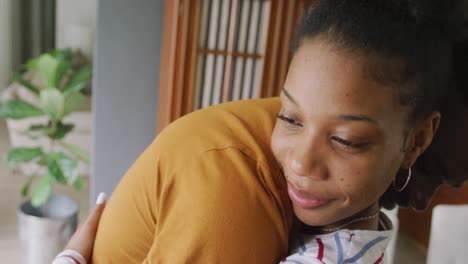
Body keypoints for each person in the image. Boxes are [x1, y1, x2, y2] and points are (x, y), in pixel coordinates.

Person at [55, 0, 468, 263]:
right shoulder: (232, 188)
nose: (301, 161)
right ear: (420, 138)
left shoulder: (336, 216)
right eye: (290, 117)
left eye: (345, 140)